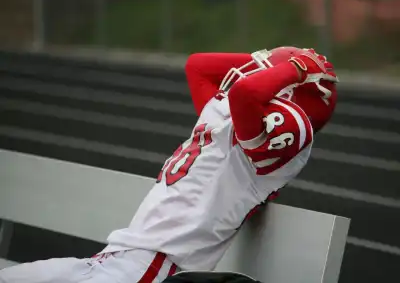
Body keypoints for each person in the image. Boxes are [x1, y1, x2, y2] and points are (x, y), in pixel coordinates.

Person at [0, 47, 338, 283]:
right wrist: (270, 60)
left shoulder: (291, 130)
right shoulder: (231, 126)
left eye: (265, 70)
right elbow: (198, 66)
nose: (250, 71)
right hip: (116, 259)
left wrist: (294, 69)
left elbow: (245, 94)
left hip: (153, 268)